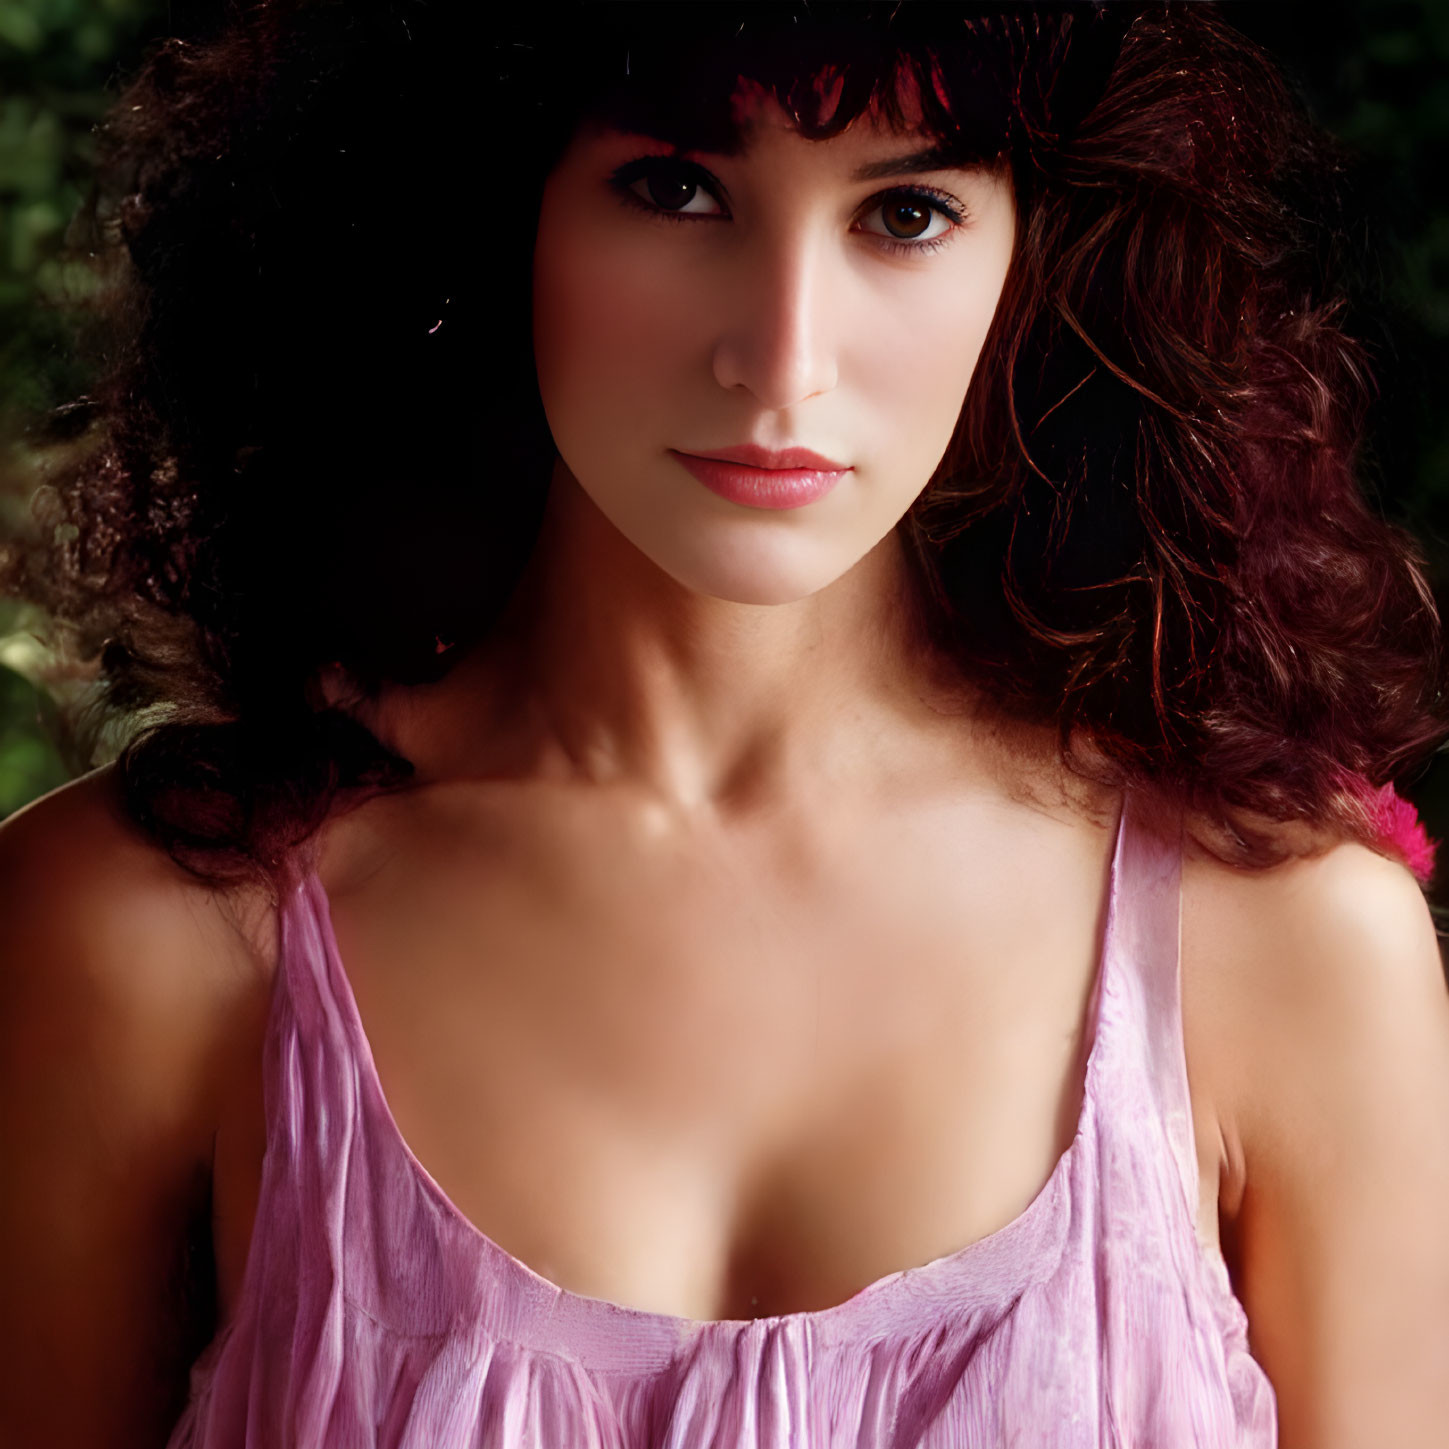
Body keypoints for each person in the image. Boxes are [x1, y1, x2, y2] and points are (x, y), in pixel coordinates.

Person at [1, 1, 1447, 1444]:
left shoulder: (1286, 947)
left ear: (1039, 258)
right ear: (487, 210)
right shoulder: (142, 937)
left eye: (908, 211)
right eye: (675, 187)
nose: (782, 358)